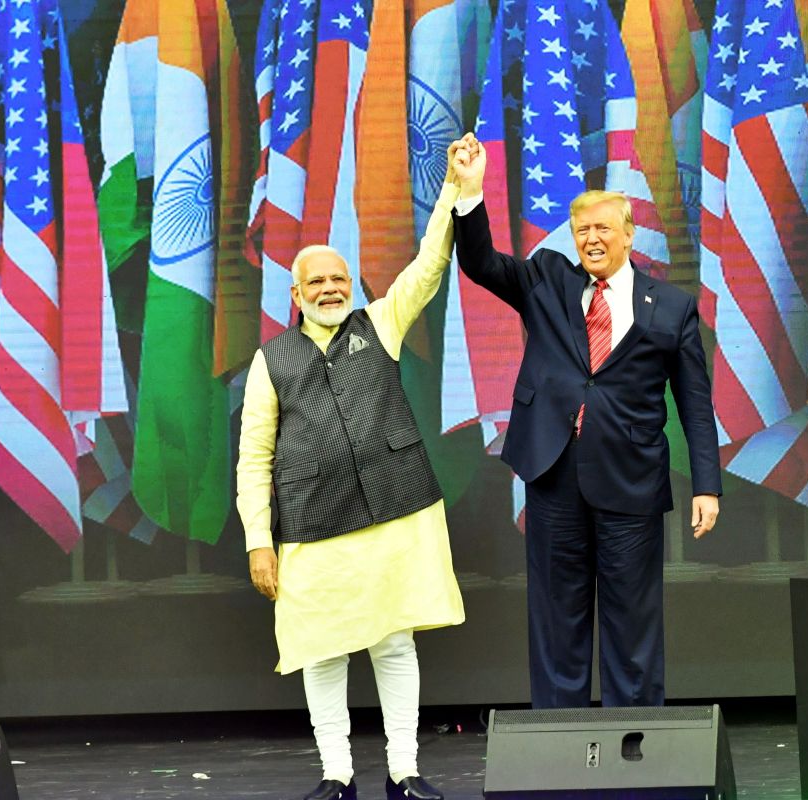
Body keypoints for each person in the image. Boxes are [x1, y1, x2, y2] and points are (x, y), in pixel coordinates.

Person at [450, 133, 722, 708]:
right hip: (553, 476)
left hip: (631, 483)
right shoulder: (548, 279)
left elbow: (695, 402)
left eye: (603, 229)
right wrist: (470, 193)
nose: (592, 239)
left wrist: (706, 486)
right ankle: (559, 749)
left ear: (629, 234)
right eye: (582, 231)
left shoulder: (670, 306)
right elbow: (478, 263)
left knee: (633, 626)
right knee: (557, 621)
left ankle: (636, 749)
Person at [236, 143, 471, 800]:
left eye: (339, 278)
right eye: (317, 282)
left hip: (396, 514)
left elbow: (427, 267)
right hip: (313, 527)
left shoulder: (381, 322)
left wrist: (454, 188)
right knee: (323, 651)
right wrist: (259, 539)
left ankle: (405, 772)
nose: (332, 288)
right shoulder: (270, 361)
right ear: (296, 294)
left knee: (394, 646)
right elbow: (253, 458)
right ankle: (336, 777)